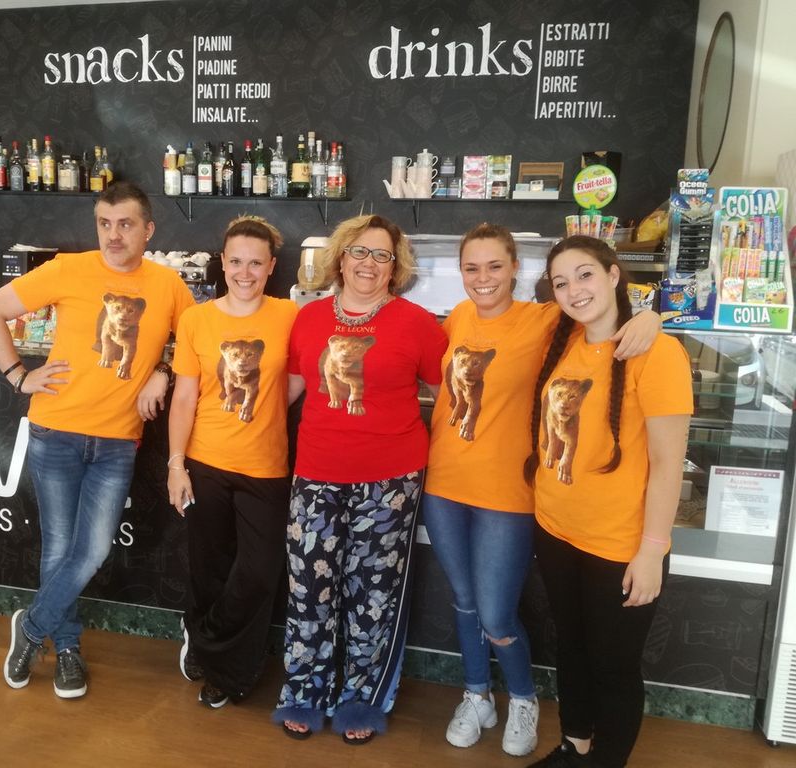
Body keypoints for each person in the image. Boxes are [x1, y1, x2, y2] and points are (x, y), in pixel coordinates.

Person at [422, 224, 662, 756]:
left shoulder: (547, 319)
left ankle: (523, 698)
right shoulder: (457, 317)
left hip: (509, 494)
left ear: (515, 269)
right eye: (471, 268)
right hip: (443, 484)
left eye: (495, 266)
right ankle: (477, 694)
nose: (483, 278)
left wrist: (652, 315)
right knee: (464, 603)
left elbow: (604, 313)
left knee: (495, 613)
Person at [0, 181, 195, 699]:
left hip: (116, 441)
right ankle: (68, 646)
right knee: (59, 548)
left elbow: (195, 340)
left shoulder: (168, 285)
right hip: (55, 431)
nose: (114, 235)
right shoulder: (67, 269)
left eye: (125, 224)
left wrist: (162, 370)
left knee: (92, 550)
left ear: (148, 230)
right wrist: (18, 376)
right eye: (104, 224)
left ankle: (30, 628)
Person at [273, 214, 447, 744]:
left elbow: (448, 397)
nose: (369, 263)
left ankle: (360, 701)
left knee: (372, 595)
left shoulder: (418, 324)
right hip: (316, 474)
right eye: (359, 251)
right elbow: (289, 389)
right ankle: (304, 693)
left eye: (382, 255)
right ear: (341, 257)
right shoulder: (307, 319)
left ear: (396, 267)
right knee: (309, 591)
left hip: (390, 481)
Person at [523, 236, 691, 767]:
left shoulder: (658, 353)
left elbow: (668, 464)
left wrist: (652, 550)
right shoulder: (563, 338)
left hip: (619, 545)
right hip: (555, 530)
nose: (574, 290)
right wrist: (654, 313)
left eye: (585, 274)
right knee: (570, 648)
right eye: (561, 282)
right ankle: (574, 747)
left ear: (614, 275)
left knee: (613, 667)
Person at [166, 215, 298, 709]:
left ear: (271, 267)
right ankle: (227, 673)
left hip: (266, 465)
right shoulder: (196, 320)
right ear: (223, 263)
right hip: (205, 461)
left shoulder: (290, 316)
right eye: (236, 261)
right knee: (210, 569)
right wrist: (176, 464)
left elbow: (299, 378)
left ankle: (204, 639)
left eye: (255, 264)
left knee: (260, 572)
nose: (245, 272)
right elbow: (185, 397)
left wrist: (265, 409)